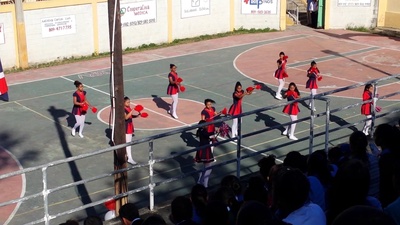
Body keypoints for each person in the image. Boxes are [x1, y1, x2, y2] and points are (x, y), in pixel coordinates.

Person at [195, 120, 215, 188]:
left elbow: (207, 138)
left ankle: (200, 181)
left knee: (205, 167)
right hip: (205, 150)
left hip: (203, 149)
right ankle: (205, 184)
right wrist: (215, 132)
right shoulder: (203, 131)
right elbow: (208, 135)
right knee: (209, 168)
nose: (207, 126)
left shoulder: (200, 130)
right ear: (203, 126)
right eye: (206, 125)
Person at [124, 96, 140, 165]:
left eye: (129, 102)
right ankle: (129, 158)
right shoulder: (123, 109)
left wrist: (136, 116)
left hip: (130, 126)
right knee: (128, 143)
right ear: (123, 103)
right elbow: (126, 117)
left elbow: (130, 116)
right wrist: (132, 110)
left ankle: (128, 156)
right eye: (127, 102)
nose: (129, 103)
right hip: (126, 127)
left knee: (128, 143)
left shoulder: (128, 108)